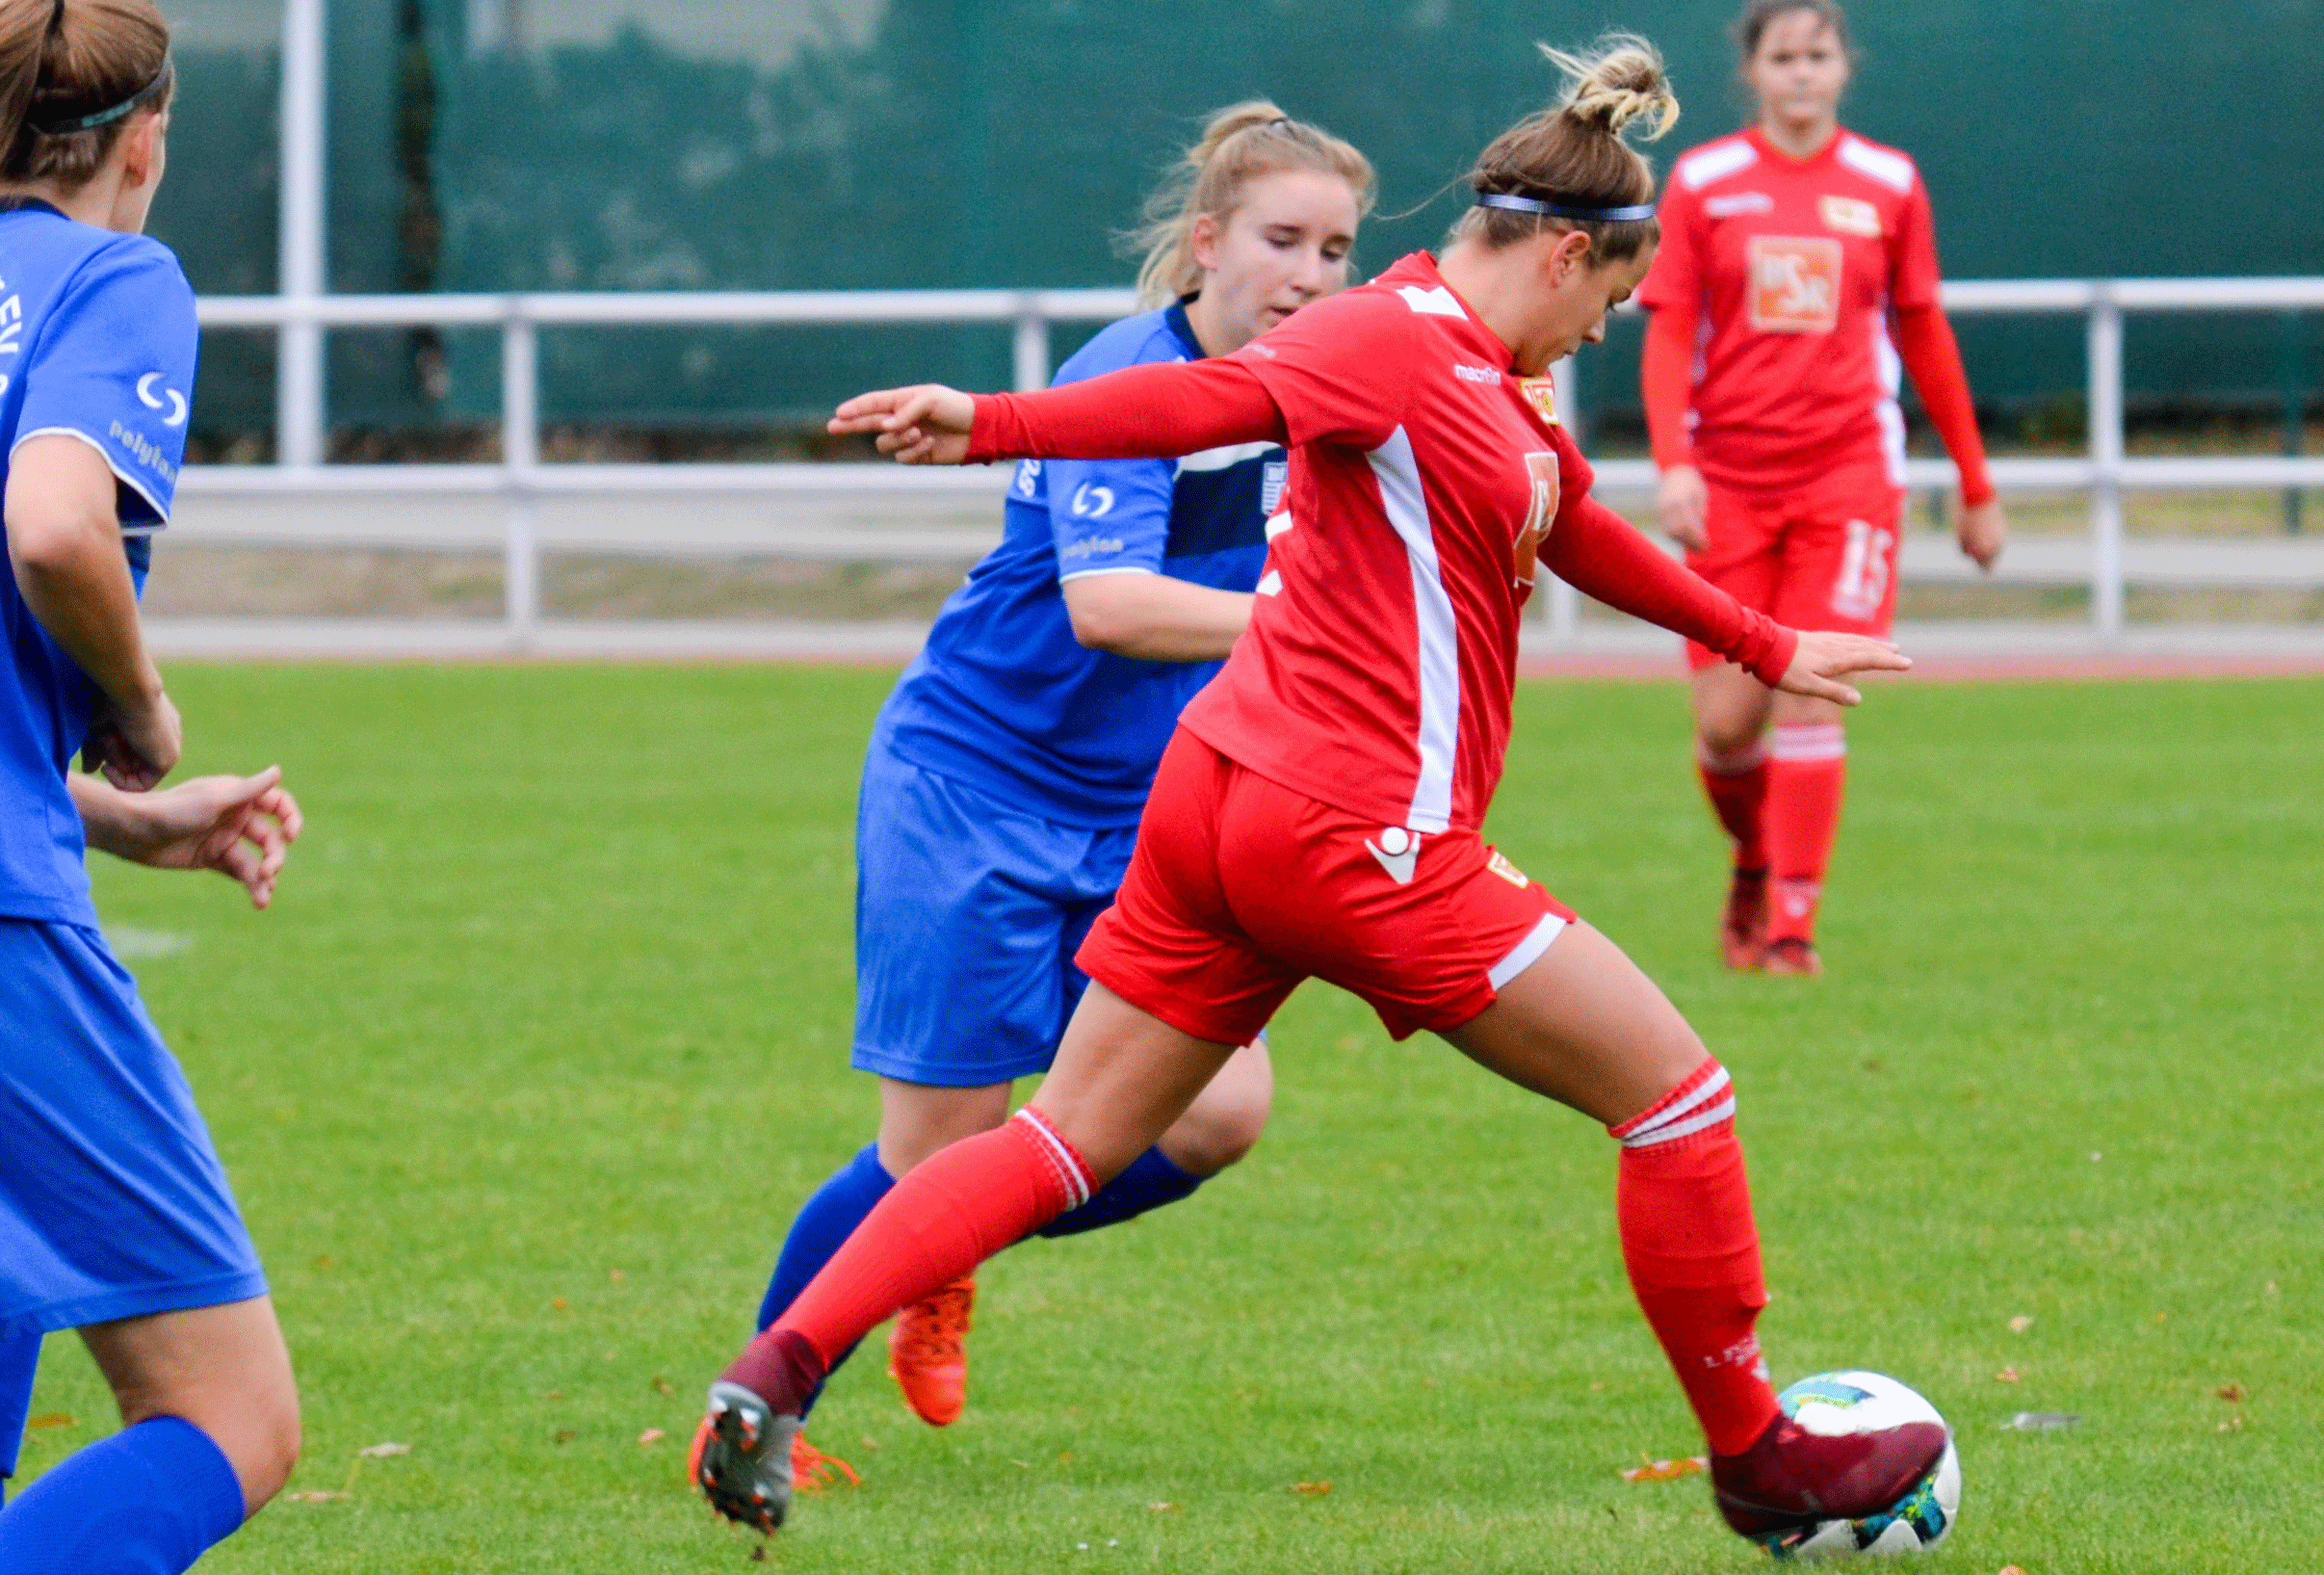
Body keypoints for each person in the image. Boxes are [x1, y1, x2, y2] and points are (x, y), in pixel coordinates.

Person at [696, 37, 1949, 1553]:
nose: (1605, 330)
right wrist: (992, 420)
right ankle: (1757, 1458)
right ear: (1565, 253)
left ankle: (774, 1369)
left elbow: (1571, 524)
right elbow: (1200, 401)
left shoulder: (1486, 374)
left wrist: (1761, 639)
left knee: (1064, 1138)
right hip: (1354, 834)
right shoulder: (1383, 340)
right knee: (1677, 1097)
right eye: (1612, 300)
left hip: (1217, 806)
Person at [707, 104, 1375, 1490]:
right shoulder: (1126, 374)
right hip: (974, 781)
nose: (1311, 274)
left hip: (1144, 811)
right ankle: (760, 1409)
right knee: (927, 1156)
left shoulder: (1324, 388)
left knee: (1217, 1113)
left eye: (1336, 249)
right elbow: (1109, 605)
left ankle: (940, 1247)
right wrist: (1313, 625)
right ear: (1207, 243)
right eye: (1282, 240)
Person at [0, 1, 310, 1568]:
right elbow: (55, 522)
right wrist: (140, 707)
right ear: (143, 143)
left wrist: (108, 817)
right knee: (229, 1411)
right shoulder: (112, 280)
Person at [1639, 0, 2003, 975]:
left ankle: (1793, 930)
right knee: (1726, 727)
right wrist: (1675, 463)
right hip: (1729, 482)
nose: (1801, 72)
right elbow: (1669, 326)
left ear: (1845, 66)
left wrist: (1975, 484)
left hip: (1848, 478)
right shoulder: (1704, 181)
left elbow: (1922, 327)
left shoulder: (1889, 181)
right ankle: (1754, 860)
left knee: (1811, 693)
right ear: (1751, 70)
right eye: (1782, 56)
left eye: (1818, 54)